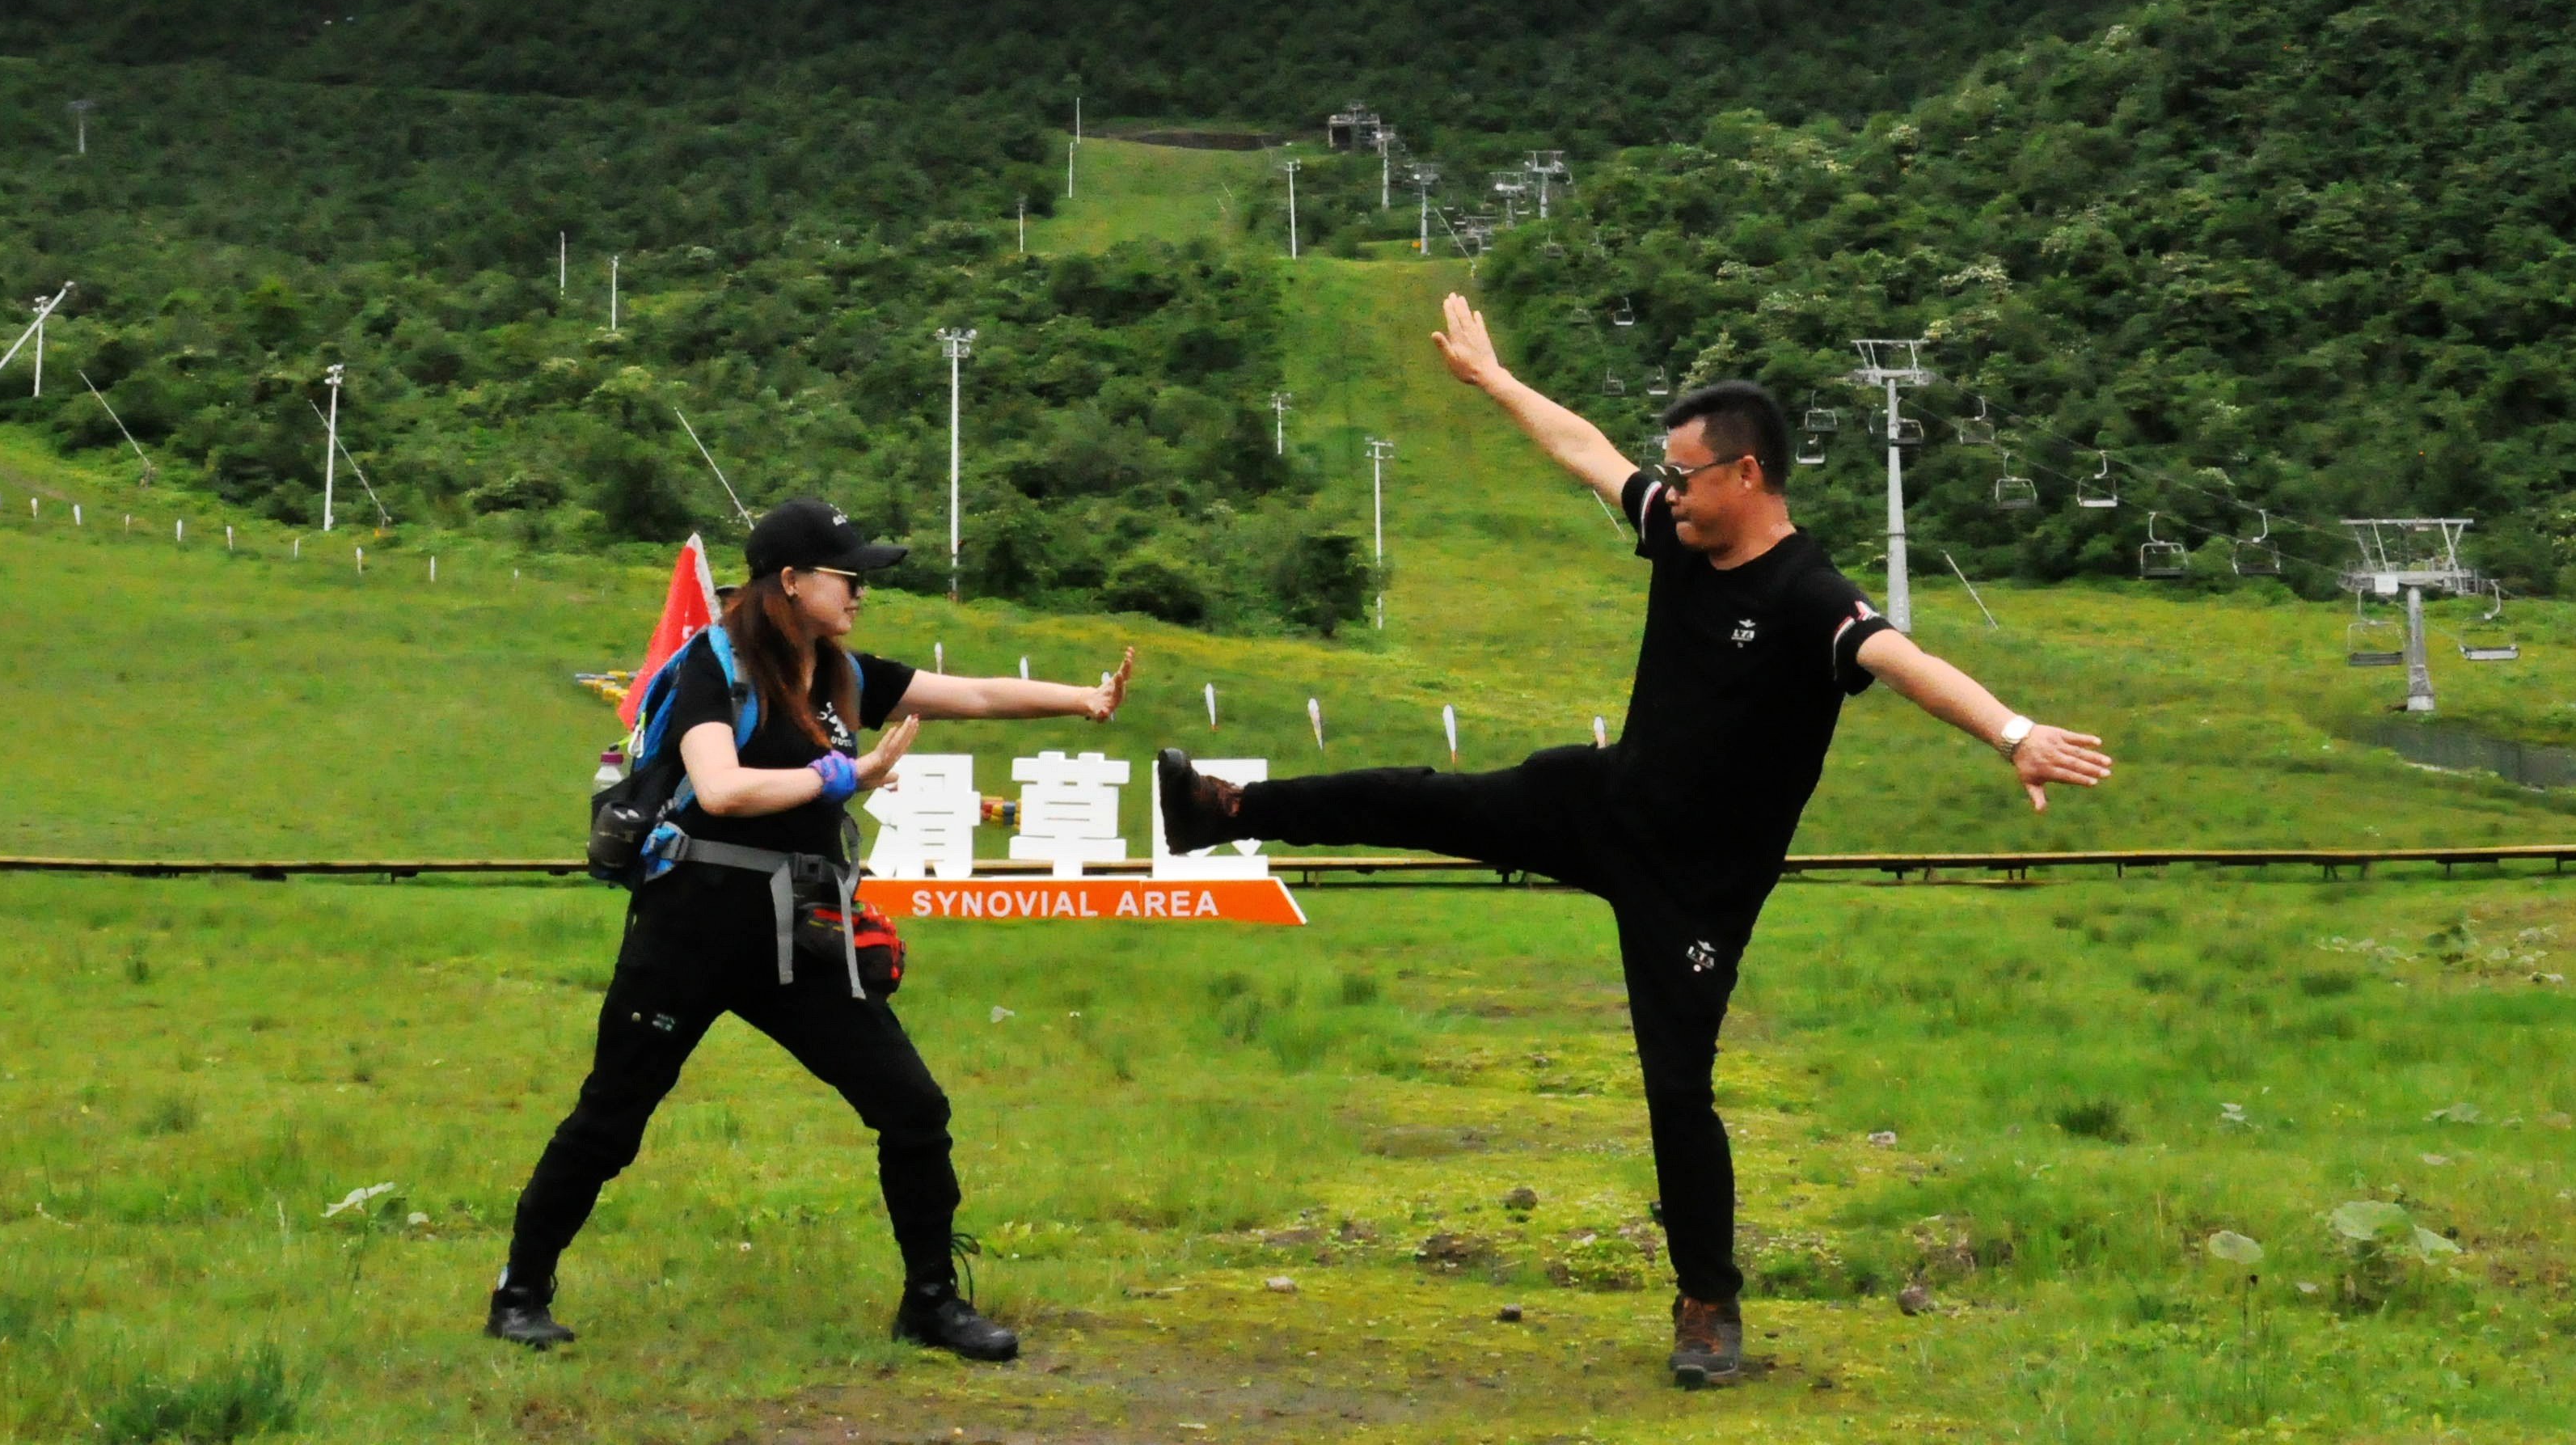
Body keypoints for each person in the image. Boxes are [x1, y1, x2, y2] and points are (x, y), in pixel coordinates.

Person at [1160, 294, 2112, 1388]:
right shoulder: (1680, 533)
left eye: (1686, 476)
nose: (1668, 493)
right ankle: (1226, 811)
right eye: (1668, 477)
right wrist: (1494, 380)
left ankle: (1707, 1307)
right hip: (1606, 802)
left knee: (1677, 1089)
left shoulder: (1808, 595)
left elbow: (1904, 661)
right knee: (1432, 801)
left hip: (1697, 889)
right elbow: (1585, 452)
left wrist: (2012, 733)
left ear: (1746, 474)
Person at [490, 495, 1134, 1360]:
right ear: (790, 581)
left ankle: (931, 1303)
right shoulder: (712, 667)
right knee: (612, 1117)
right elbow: (720, 789)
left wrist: (1083, 699)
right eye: (848, 575)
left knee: (912, 1107)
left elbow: (975, 693)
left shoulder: (841, 675)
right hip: (691, 927)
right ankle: (520, 1294)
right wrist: (846, 775)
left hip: (799, 934)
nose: (861, 590)